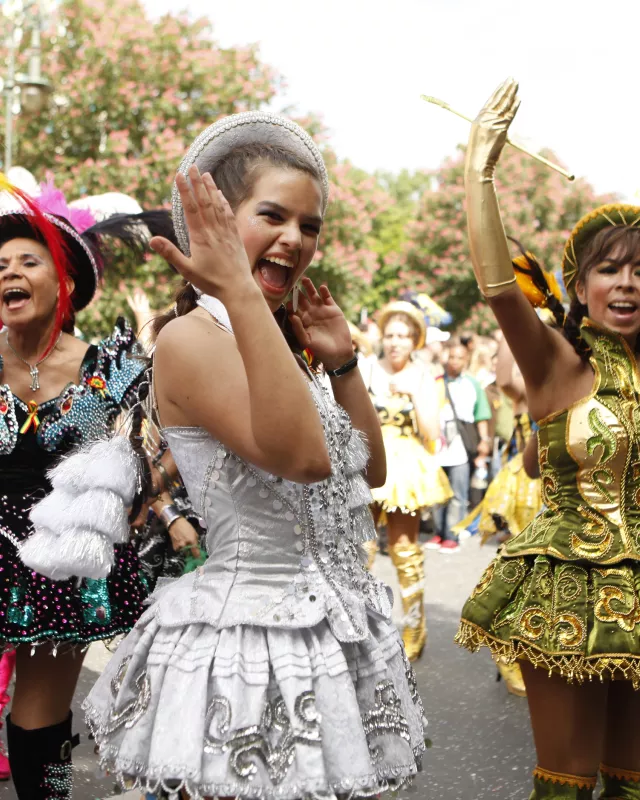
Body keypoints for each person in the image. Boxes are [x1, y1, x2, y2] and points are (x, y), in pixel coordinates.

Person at [81, 112, 425, 799]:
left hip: (329, 636)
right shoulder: (191, 338)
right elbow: (300, 457)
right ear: (215, 223)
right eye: (273, 215)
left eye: (310, 226)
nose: (294, 239)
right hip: (245, 648)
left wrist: (346, 364)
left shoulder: (276, 340)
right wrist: (237, 288)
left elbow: (369, 473)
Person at [456, 77, 640, 799]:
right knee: (568, 786)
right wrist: (480, 169)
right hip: (568, 588)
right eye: (609, 269)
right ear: (582, 285)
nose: (627, 283)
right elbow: (502, 290)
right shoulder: (559, 364)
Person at [0, 174, 166, 798]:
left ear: (64, 279)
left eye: (25, 260)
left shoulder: (111, 368)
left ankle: (55, 791)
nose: (7, 272)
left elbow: (153, 455)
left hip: (60, 560)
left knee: (39, 721)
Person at [364, 300, 450, 660]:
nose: (396, 342)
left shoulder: (423, 375)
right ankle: (357, 625)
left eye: (403, 335)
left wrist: (415, 394)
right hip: (368, 463)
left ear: (415, 339)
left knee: (404, 549)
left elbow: (431, 433)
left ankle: (414, 626)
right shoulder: (366, 369)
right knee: (360, 549)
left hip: (405, 470)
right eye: (390, 335)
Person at [429, 337, 492, 553]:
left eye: (460, 358)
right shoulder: (436, 382)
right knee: (438, 492)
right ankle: (438, 532)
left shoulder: (472, 384)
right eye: (452, 356)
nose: (455, 361)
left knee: (458, 493)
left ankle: (452, 534)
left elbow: (481, 414)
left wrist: (485, 440)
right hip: (437, 447)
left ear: (466, 360)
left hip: (461, 448)